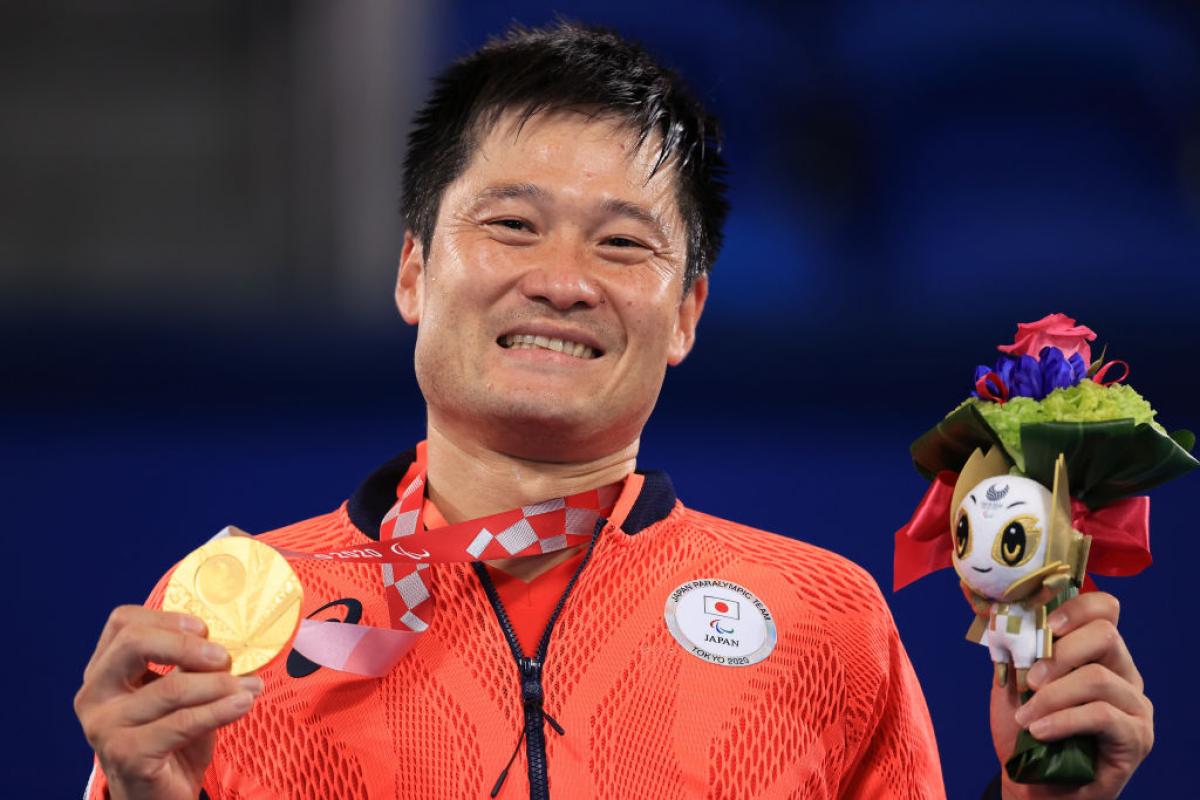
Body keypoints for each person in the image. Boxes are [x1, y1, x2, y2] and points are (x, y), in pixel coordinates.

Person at [74, 22, 1153, 800]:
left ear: (686, 311)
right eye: (511, 225)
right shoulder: (223, 628)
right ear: (412, 271)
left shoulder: (830, 621)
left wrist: (1047, 799)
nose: (563, 278)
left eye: (623, 241)